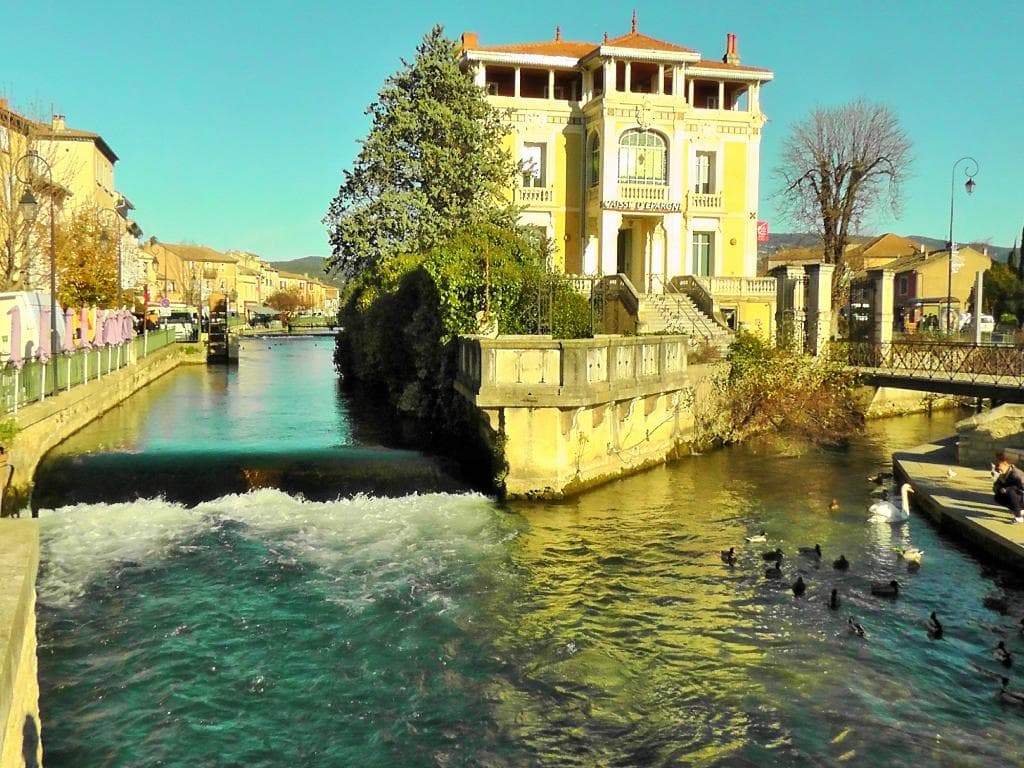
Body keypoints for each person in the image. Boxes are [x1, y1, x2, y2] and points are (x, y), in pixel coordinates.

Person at [992, 451, 1024, 523]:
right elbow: (995, 486)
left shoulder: (1017, 474)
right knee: (998, 497)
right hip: (1018, 497)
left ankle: (1019, 517)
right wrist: (999, 489)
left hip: (1022, 496)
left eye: (998, 465)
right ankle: (1020, 510)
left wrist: (1009, 489)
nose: (996, 468)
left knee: (1010, 492)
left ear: (1006, 464)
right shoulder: (1002, 475)